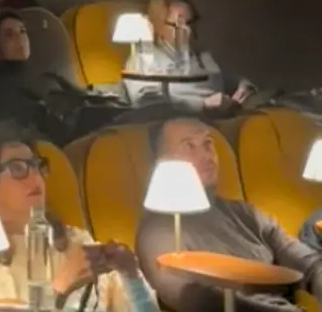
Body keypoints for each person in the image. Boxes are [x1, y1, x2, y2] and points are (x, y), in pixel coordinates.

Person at [0, 126, 158, 311]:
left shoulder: (76, 241)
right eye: (17, 168)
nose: (35, 177)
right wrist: (61, 288)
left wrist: (131, 275)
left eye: (36, 165)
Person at [136, 117, 322, 311]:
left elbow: (306, 262)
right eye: (189, 146)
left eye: (207, 144)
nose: (206, 155)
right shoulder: (157, 234)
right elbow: (191, 298)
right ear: (161, 161)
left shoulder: (244, 213)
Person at [123, 0, 256, 111]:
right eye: (179, 24)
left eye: (191, 22)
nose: (189, 30)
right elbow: (145, 101)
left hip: (221, 120)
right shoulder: (144, 59)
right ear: (159, 26)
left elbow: (236, 81)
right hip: (179, 121)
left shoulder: (203, 56)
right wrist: (202, 104)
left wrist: (245, 89)